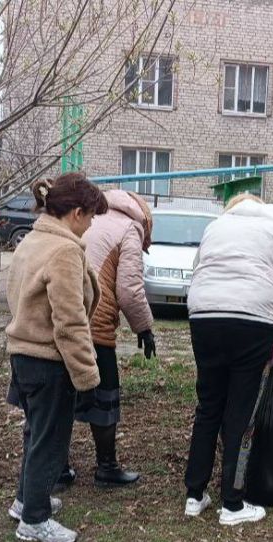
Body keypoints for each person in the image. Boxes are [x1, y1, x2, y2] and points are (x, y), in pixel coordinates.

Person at [184, 194, 273, 526]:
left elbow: (198, 270)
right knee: (240, 413)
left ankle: (195, 495)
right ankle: (233, 504)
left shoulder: (215, 227)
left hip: (204, 317)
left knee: (208, 406)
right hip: (252, 322)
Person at [5, 173, 108, 542]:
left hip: (23, 354)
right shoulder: (64, 251)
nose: (93, 224)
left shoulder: (33, 240)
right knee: (50, 441)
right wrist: (88, 378)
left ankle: (25, 500)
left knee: (36, 433)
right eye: (92, 216)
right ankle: (34, 519)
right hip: (49, 361)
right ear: (77, 213)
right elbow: (70, 322)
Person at [72, 189, 155, 487]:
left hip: (64, 317)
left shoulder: (88, 218)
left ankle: (56, 467)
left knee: (63, 394)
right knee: (105, 394)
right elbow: (129, 291)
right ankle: (106, 467)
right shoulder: (130, 228)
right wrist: (144, 328)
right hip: (95, 322)